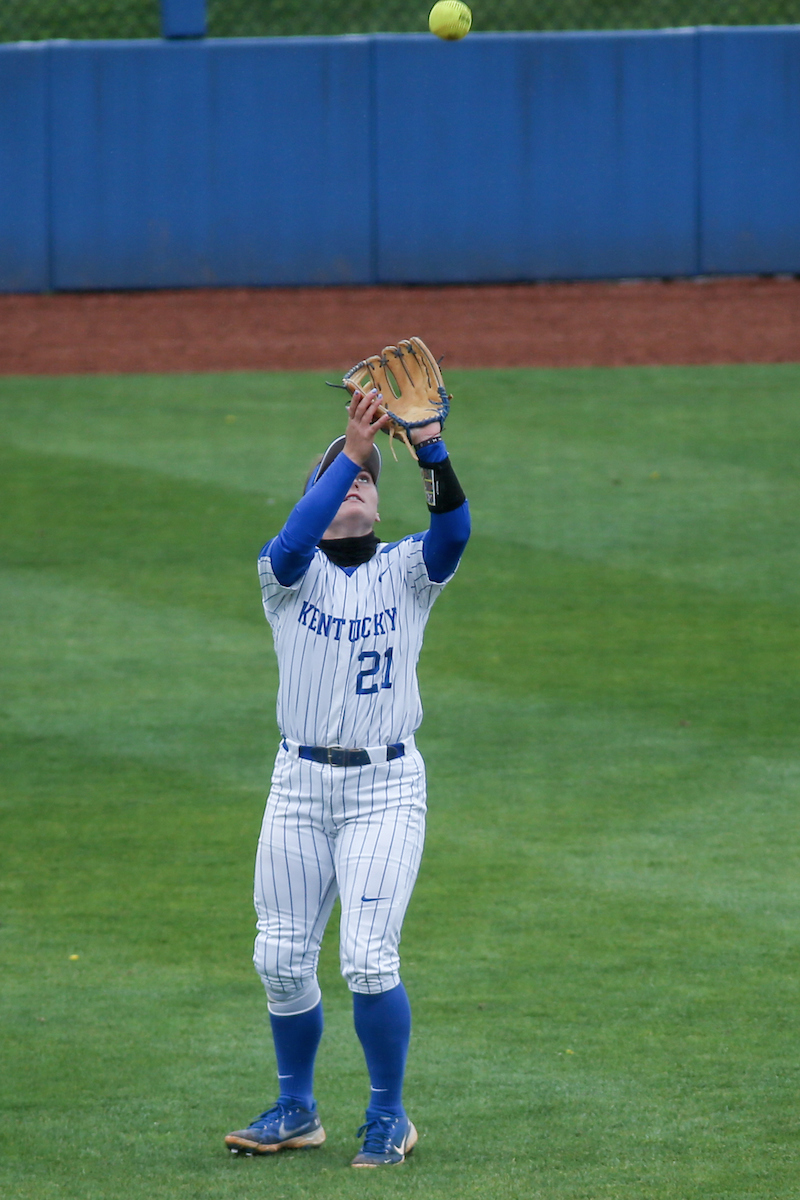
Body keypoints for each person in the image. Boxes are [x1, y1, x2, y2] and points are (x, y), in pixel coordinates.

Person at [225, 385, 470, 1167]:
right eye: (339, 479)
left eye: (366, 478)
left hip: (384, 788)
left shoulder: (406, 573)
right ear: (317, 498)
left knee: (367, 958)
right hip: (297, 786)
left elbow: (453, 531)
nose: (357, 482)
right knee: (279, 958)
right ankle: (296, 1109)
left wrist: (429, 448)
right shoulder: (284, 576)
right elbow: (297, 537)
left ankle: (387, 1116)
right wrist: (353, 451)